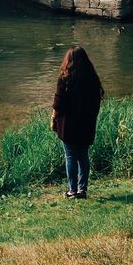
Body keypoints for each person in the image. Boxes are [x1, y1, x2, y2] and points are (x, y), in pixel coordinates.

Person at [51, 45, 103, 199]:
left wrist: (53, 119)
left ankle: (72, 191)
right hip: (86, 125)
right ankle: (82, 190)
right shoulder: (93, 79)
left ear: (68, 61)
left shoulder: (65, 78)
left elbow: (58, 103)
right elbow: (96, 103)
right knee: (83, 156)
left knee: (71, 157)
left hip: (68, 126)